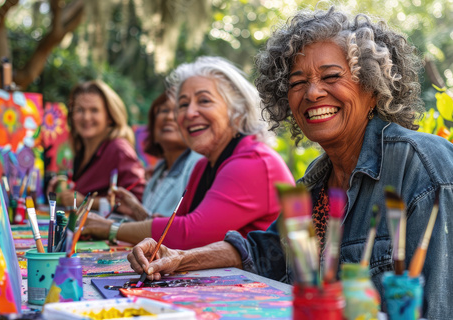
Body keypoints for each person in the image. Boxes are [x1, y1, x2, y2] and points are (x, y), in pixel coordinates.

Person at [126, 7, 453, 319]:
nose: (312, 92)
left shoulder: (423, 166)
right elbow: (270, 251)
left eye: (331, 76)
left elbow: (439, 308)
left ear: (371, 85)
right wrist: (178, 258)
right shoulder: (319, 179)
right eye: (297, 83)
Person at [81, 56, 295, 249]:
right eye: (182, 104)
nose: (189, 113)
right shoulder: (205, 165)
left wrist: (110, 228)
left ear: (236, 111)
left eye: (204, 101)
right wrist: (135, 214)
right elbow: (176, 224)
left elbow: (189, 233)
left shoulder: (254, 162)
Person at [110, 92, 202, 220]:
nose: (169, 117)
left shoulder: (198, 165)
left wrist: (136, 213)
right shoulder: (159, 171)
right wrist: (133, 211)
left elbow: (182, 231)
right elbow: (150, 224)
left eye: (178, 110)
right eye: (163, 110)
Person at [55, 79, 145, 208]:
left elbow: (139, 201)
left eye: (94, 110)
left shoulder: (119, 149)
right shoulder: (79, 149)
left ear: (109, 116)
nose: (86, 117)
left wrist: (86, 202)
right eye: (80, 110)